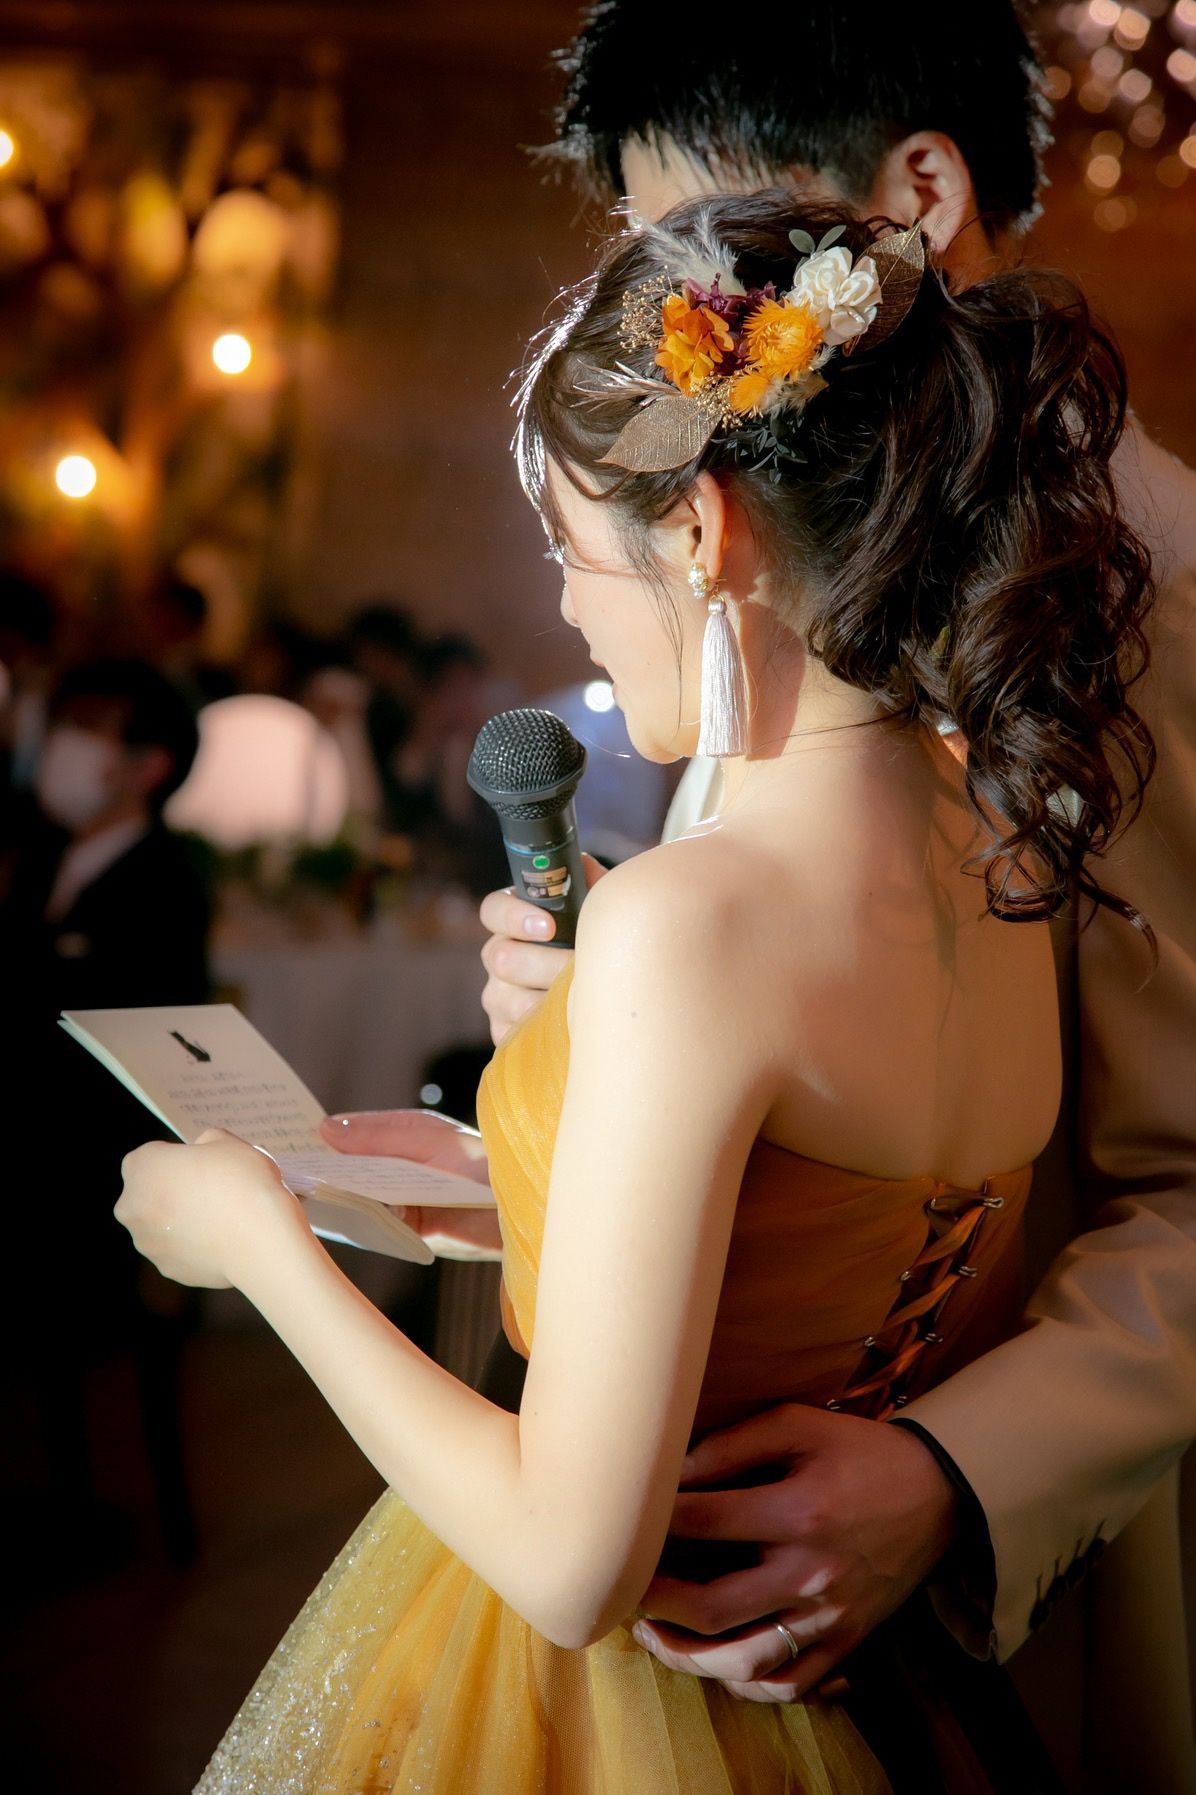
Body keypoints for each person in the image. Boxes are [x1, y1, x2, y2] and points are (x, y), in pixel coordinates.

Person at [118, 189, 1152, 1790]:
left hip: (622, 1698)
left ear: (699, 531)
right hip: (884, 1692)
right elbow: (811, 1230)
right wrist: (522, 1180)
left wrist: (258, 1242)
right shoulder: (1006, 841)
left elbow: (568, 1559)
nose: (565, 604)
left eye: (571, 546)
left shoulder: (693, 921)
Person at [409, 9, 1194, 1789]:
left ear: (916, 195)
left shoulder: (1155, 598)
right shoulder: (805, 568)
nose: (679, 303)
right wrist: (603, 1037)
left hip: (980, 1564)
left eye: (710, 238)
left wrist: (957, 1467)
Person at [2, 657, 210, 1564]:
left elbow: (141, 1063)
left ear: (149, 764)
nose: (65, 748)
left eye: (91, 729)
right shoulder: (41, 855)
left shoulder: (167, 879)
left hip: (96, 1170)